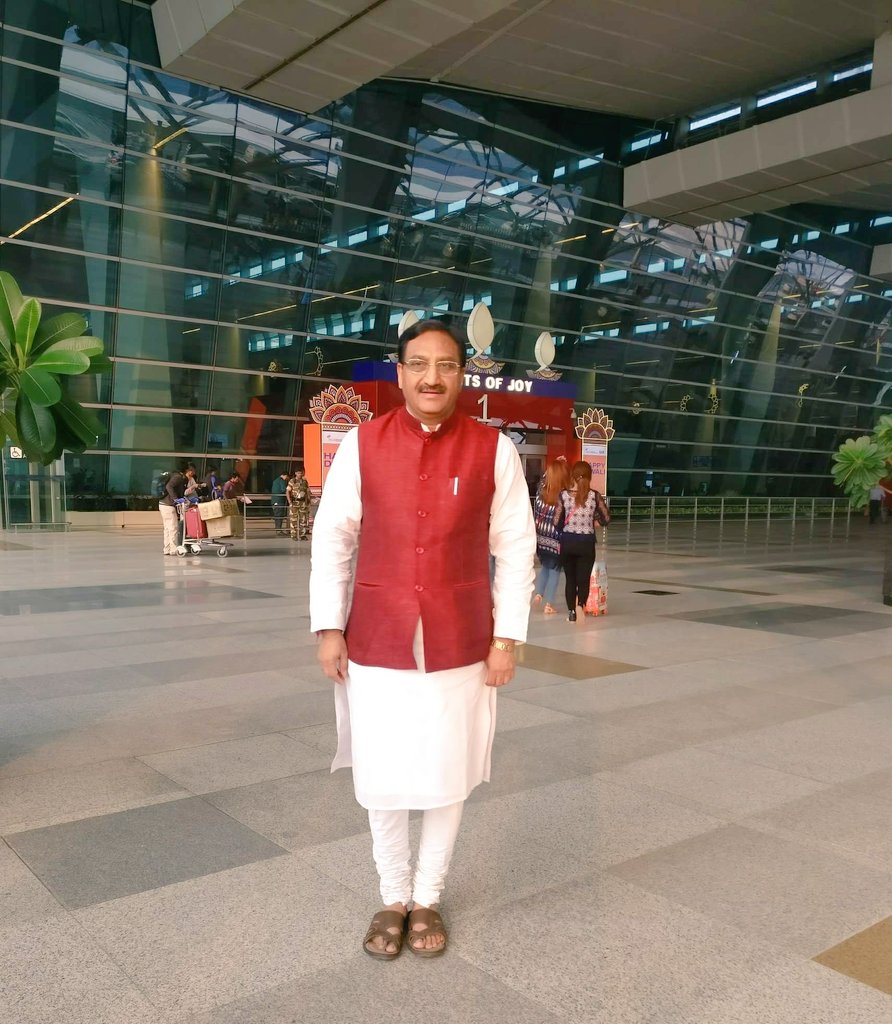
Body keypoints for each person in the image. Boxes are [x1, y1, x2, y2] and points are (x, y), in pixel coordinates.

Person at [310, 319, 535, 961]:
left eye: (445, 365)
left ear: (462, 374)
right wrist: (329, 627)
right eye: (419, 364)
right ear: (400, 372)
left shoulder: (494, 450)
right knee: (382, 771)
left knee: (447, 769)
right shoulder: (362, 444)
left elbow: (516, 547)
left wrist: (506, 639)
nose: (432, 377)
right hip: (377, 635)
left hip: (460, 638)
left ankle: (428, 895)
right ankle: (392, 896)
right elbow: (334, 538)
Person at [558, 460, 610, 621]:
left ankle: (571, 613)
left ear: (573, 476)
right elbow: (606, 518)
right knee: (583, 579)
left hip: (568, 542)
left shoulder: (563, 495)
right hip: (586, 543)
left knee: (570, 580)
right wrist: (593, 522)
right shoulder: (594, 496)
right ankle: (580, 605)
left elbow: (556, 521)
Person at [533, 459, 570, 614]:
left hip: (541, 540)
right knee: (555, 571)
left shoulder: (540, 494)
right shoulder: (564, 497)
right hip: (556, 541)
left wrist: (553, 466)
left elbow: (542, 482)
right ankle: (549, 603)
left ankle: (538, 594)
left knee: (545, 568)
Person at [159, 465, 186, 555]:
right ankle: (173, 549)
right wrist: (175, 499)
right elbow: (169, 486)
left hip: (162, 504)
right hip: (168, 505)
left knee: (167, 528)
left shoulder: (171, 475)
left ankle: (166, 549)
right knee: (173, 528)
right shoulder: (178, 477)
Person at [287, 466, 311, 540]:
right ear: (295, 473)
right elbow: (287, 491)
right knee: (293, 519)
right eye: (298, 473)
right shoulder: (292, 481)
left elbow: (307, 491)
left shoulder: (304, 481)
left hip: (303, 502)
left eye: (301, 473)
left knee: (303, 519)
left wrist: (308, 501)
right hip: (294, 502)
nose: (299, 474)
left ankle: (302, 535)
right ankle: (293, 535)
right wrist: (289, 501)